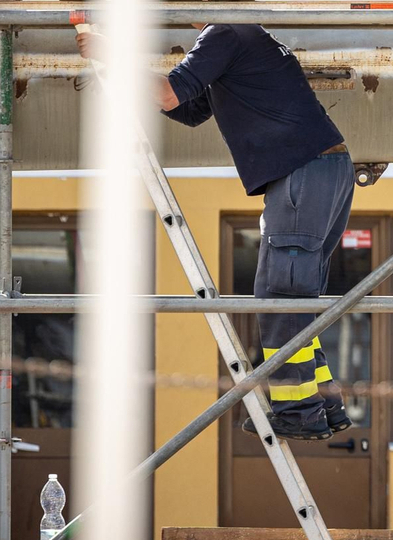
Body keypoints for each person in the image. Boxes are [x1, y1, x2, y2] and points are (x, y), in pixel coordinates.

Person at [77, 23, 353, 442]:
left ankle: (299, 411)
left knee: (280, 299)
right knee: (295, 300)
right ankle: (322, 405)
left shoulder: (224, 31)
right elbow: (188, 109)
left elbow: (170, 92)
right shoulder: (242, 38)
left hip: (303, 174)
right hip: (318, 171)